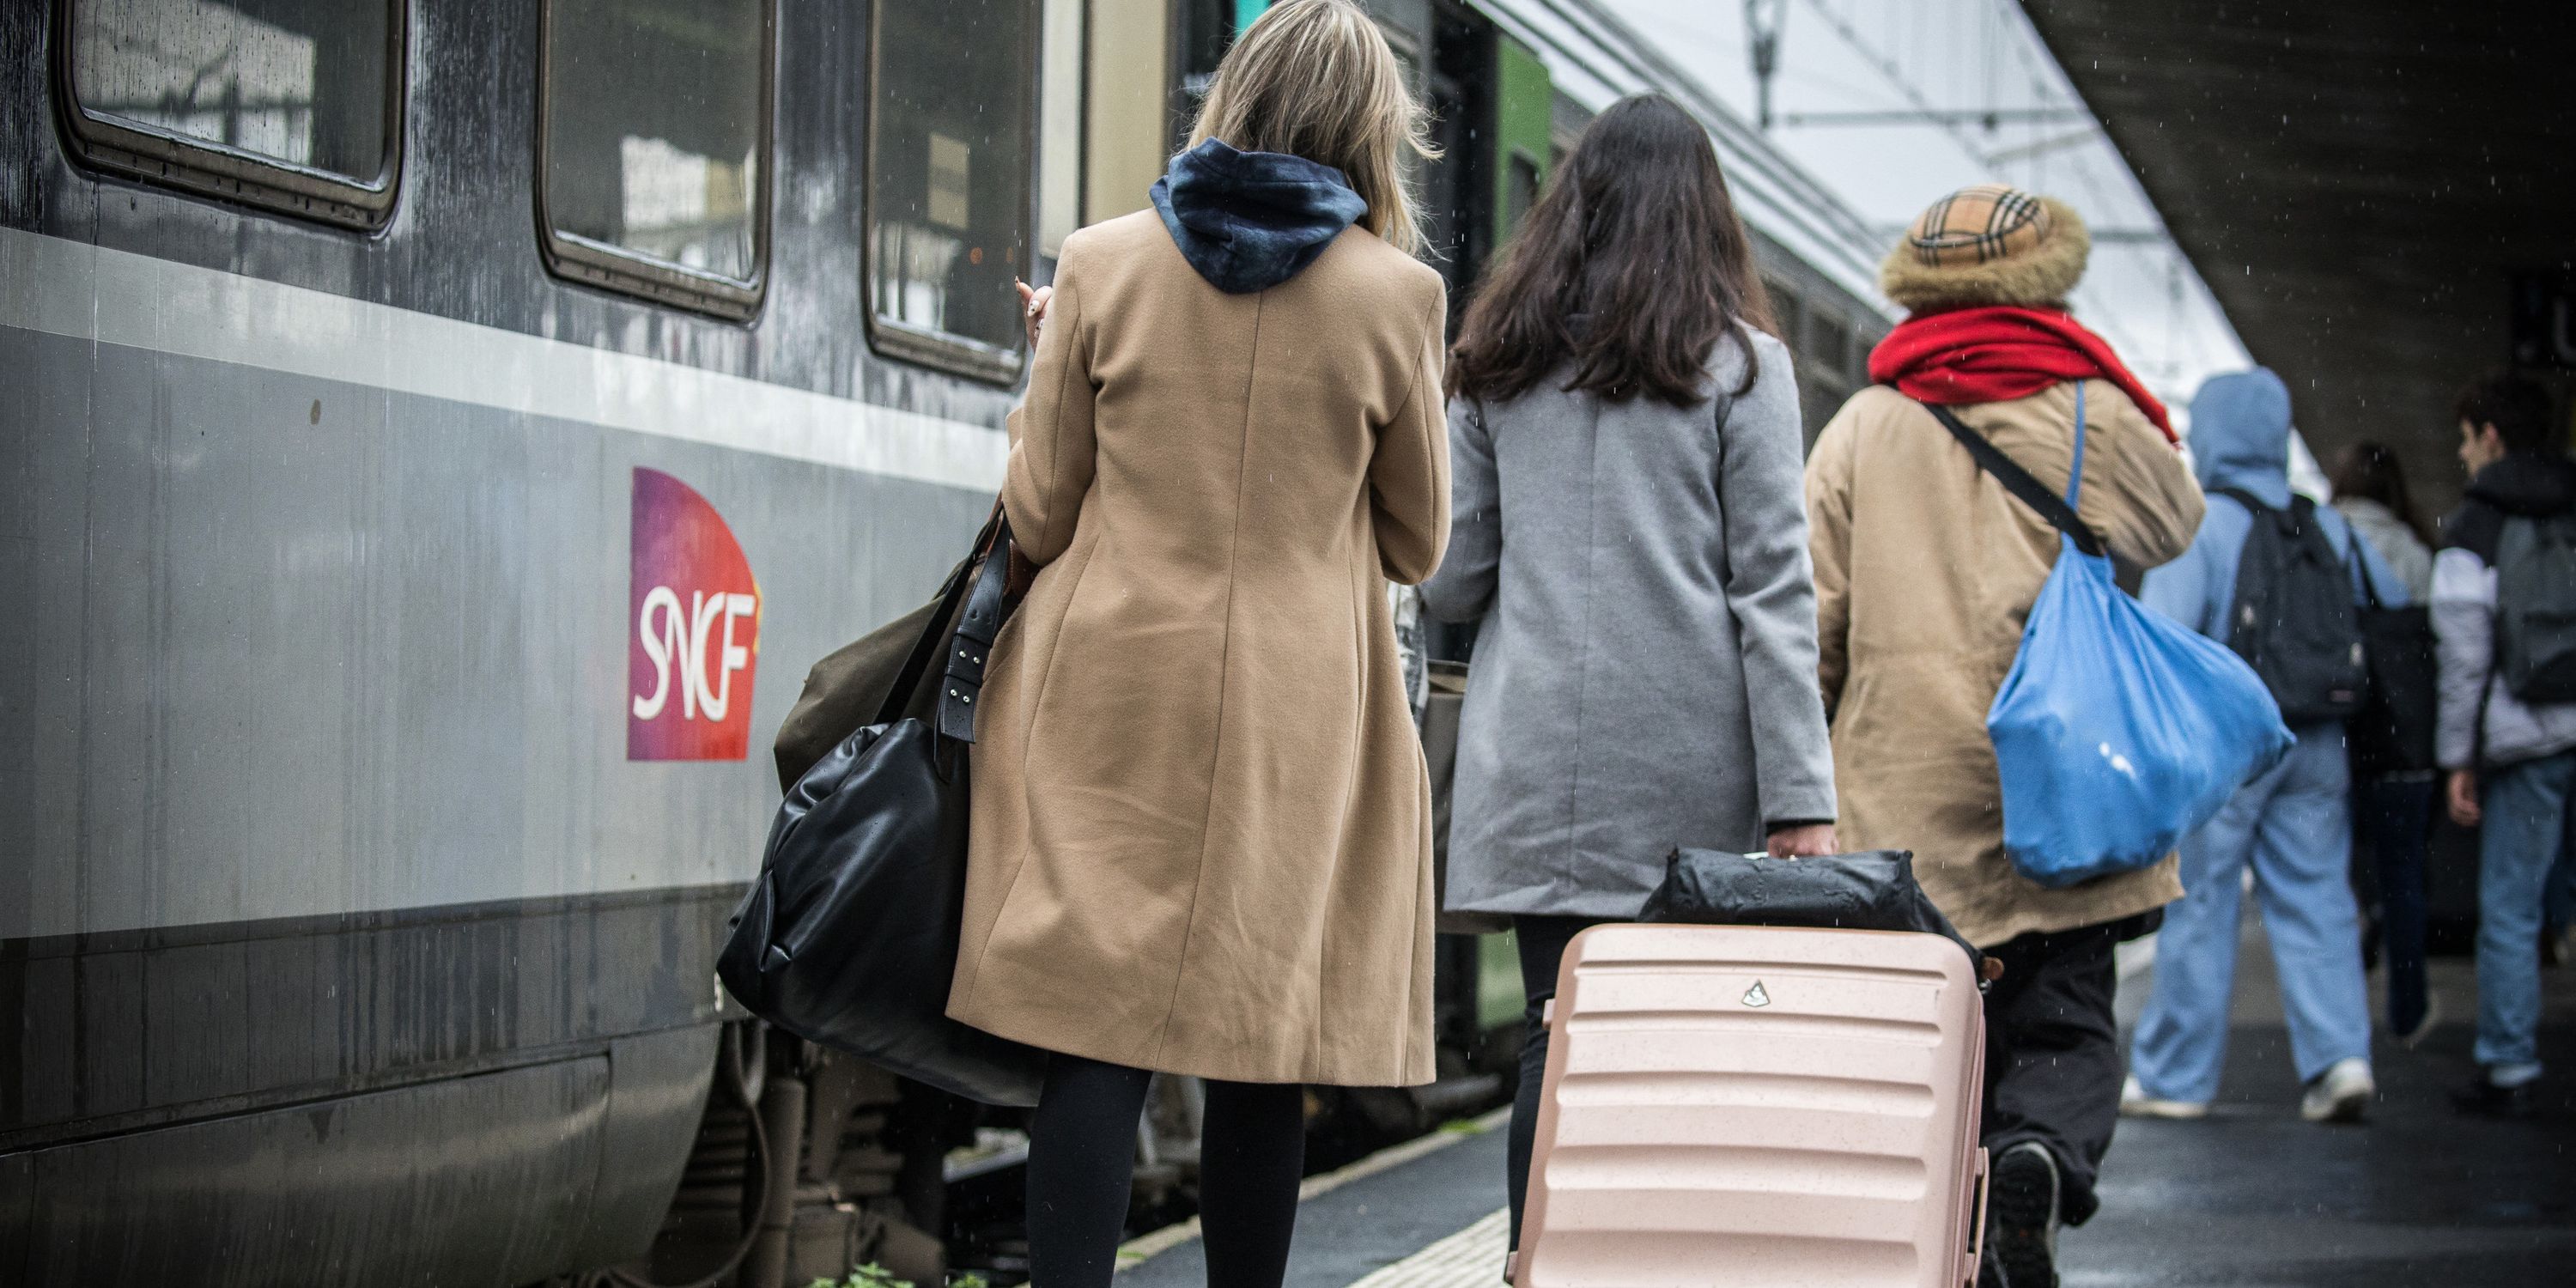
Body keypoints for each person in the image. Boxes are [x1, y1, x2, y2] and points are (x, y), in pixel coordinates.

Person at [949, 5, 1449, 1285]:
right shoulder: (1399, 296)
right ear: (1370, 128)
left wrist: (1042, 362)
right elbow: (1416, 539)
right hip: (1300, 710)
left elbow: (1044, 504)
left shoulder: (1102, 265)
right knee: (1259, 1033)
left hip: (1108, 684)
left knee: (1095, 1028)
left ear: (1228, 93)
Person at [1419, 94, 1839, 1258]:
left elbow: (1452, 583)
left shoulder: (1496, 364)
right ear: (1706, 218)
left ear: (1570, 208)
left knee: (1559, 1036)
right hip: (1688, 775)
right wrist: (1803, 796)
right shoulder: (1747, 372)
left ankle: (1533, 1259)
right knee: (1680, 1047)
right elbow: (1773, 596)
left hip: (1536, 760)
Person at [1807, 185, 2203, 1288]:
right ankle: (2037, 1151)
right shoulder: (2090, 405)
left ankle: (1954, 1224)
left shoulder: (1867, 422)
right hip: (2067, 764)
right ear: (2046, 281)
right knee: (2067, 1010)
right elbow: (2174, 523)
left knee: (1931, 1033)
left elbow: (1815, 621)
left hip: (1904, 777)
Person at [2123, 371, 2407, 1130]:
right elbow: (2395, 612)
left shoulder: (2205, 523)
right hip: (2320, 738)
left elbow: (2164, 642)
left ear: (2213, 433)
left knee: (2202, 904)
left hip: (2230, 747)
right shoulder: (2330, 527)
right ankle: (2340, 1060)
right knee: (2318, 901)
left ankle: (2177, 1075)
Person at [2433, 371, 2576, 1118]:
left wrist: (2460, 759)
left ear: (2489, 436)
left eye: (2463, 439)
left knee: (2513, 909)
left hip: (2530, 739)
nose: (2461, 456)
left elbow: (2464, 663)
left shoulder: (2477, 524)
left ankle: (2510, 1067)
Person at [2328, 441, 2441, 1045]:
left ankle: (2343, 1029)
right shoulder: (2418, 551)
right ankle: (2408, 1010)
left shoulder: (2323, 538)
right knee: (2405, 882)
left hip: (2340, 738)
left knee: (2328, 885)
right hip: (2406, 745)